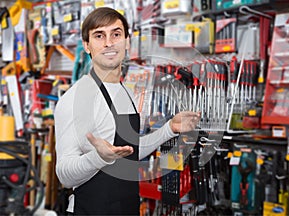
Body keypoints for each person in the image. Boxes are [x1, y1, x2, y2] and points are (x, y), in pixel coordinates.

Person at [54, 7, 200, 215]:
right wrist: (99, 158)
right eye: (99, 36)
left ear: (127, 42)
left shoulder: (125, 92)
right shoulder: (76, 99)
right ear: (87, 46)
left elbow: (129, 151)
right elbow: (65, 176)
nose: (109, 43)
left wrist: (170, 128)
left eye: (116, 34)